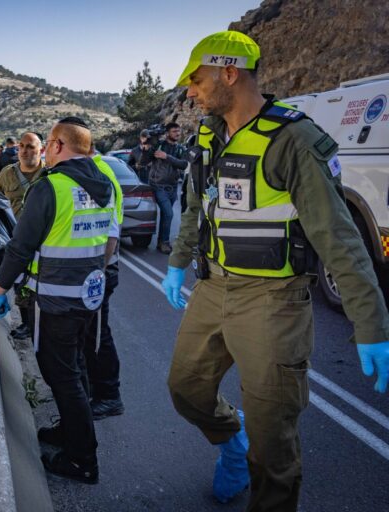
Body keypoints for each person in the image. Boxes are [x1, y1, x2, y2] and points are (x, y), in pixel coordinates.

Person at [161, 30, 389, 511]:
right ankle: (231, 442)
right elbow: (195, 210)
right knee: (186, 390)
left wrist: (371, 322)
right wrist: (179, 264)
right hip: (212, 289)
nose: (190, 91)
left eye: (196, 79)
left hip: (274, 301)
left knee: (274, 445)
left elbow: (339, 237)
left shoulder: (295, 141)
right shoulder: (209, 136)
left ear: (229, 73)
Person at [0, 117, 114, 484]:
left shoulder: (52, 187)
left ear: (59, 145)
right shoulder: (104, 185)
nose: (43, 149)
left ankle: (82, 459)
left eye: (46, 143)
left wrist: (1, 289)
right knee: (76, 367)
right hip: (89, 295)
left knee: (61, 374)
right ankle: (71, 431)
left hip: (57, 299)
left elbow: (20, 246)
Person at [82, 153, 125, 420]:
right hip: (94, 271)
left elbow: (111, 231)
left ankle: (109, 397)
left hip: (99, 271)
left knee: (98, 336)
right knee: (91, 335)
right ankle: (93, 391)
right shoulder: (92, 170)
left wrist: (98, 273)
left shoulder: (99, 174)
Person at [0, 132, 46, 340]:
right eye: (21, 146)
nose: (25, 151)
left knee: (41, 286)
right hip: (15, 241)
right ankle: (27, 323)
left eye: (31, 147)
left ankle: (40, 322)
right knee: (20, 285)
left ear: (41, 149)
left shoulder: (50, 174)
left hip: (43, 242)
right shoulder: (7, 174)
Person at [148, 122, 187, 254]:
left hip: (173, 187)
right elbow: (144, 159)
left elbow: (184, 164)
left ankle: (161, 242)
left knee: (166, 215)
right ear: (167, 133)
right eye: (174, 131)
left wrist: (167, 157)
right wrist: (149, 147)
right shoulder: (159, 146)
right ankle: (164, 242)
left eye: (178, 131)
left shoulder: (181, 149)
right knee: (169, 213)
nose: (177, 133)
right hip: (158, 186)